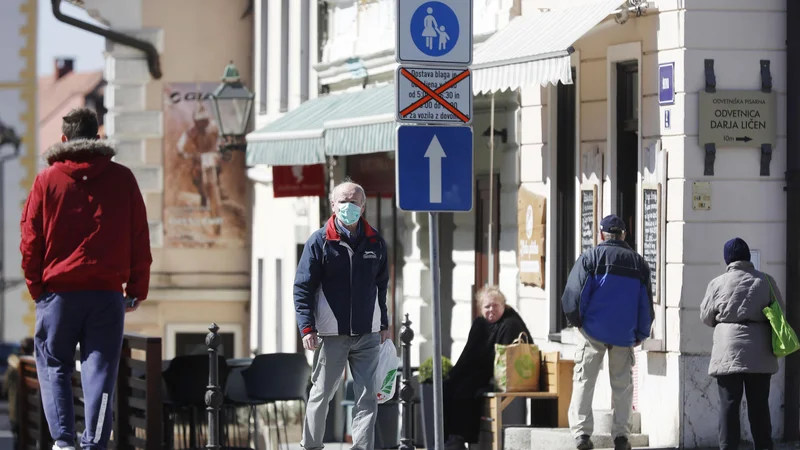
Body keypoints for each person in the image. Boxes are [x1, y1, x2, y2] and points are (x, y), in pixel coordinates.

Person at [20, 107, 152, 450]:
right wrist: (136, 290)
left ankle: (63, 443)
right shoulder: (123, 178)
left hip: (58, 294)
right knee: (100, 373)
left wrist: (37, 288)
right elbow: (140, 236)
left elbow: (30, 239)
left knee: (53, 367)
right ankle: (94, 443)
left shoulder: (46, 181)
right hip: (107, 295)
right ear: (98, 136)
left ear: (63, 139)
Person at [294, 180, 390, 450]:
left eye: (354, 202)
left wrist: (383, 324)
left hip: (368, 333)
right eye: (343, 201)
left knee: (367, 397)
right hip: (330, 333)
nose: (349, 206)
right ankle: (311, 446)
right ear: (333, 205)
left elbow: (381, 287)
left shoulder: (375, 242)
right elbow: (302, 287)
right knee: (322, 393)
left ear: (363, 206)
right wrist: (307, 329)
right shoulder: (319, 241)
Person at [561, 214, 654, 450]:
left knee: (584, 380)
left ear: (602, 234)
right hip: (624, 334)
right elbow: (645, 304)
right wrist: (641, 333)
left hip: (593, 331)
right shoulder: (639, 263)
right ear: (624, 234)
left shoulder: (590, 258)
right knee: (622, 386)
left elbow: (572, 295)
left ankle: (582, 435)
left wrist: (578, 322)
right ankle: (621, 436)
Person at [700, 237, 778, 450]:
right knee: (759, 406)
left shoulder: (716, 283)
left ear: (727, 259)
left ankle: (728, 447)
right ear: (748, 257)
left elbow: (706, 317)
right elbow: (779, 313)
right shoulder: (766, 281)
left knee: (729, 405)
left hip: (727, 350)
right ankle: (764, 446)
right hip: (760, 351)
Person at [443, 286, 530, 450]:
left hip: (500, 376)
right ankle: (451, 437)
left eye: (495, 306)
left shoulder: (511, 324)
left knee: (467, 391)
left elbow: (505, 360)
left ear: (503, 305)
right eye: (487, 306)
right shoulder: (480, 324)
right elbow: (468, 354)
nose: (491, 310)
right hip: (480, 372)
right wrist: (454, 374)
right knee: (449, 386)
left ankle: (460, 438)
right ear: (481, 308)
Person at [176, 101, 221, 209]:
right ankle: (203, 195)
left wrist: (220, 147)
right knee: (196, 175)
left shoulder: (214, 126)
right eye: (200, 121)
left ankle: (217, 190)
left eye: (204, 120)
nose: (202, 124)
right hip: (199, 157)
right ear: (196, 121)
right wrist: (182, 152)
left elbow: (222, 137)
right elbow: (181, 143)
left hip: (213, 154)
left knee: (218, 169)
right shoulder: (191, 131)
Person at [5, 337, 34, 450]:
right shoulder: (32, 366)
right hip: (30, 411)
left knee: (18, 440)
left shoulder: (13, 367)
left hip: (15, 412)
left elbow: (5, 387)